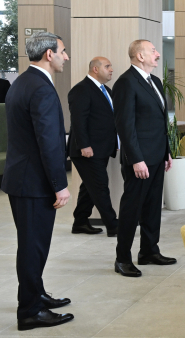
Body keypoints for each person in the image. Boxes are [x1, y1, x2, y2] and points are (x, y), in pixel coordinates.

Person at [1, 32, 74, 331]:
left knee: (33, 245)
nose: (66, 57)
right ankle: (30, 311)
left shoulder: (23, 82)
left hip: (23, 178)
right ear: (48, 54)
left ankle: (37, 294)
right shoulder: (41, 88)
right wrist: (59, 184)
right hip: (33, 183)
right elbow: (48, 142)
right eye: (63, 51)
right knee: (33, 247)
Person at [112, 40, 174, 277]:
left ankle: (149, 251)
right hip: (139, 159)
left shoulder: (154, 81)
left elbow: (160, 122)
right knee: (132, 209)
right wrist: (136, 158)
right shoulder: (126, 82)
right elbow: (125, 126)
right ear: (140, 56)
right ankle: (122, 258)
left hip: (157, 155)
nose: (157, 54)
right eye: (153, 51)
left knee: (152, 207)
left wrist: (166, 151)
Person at [68, 57, 119, 237]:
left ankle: (80, 222)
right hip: (87, 150)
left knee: (90, 186)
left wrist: (116, 142)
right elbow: (78, 121)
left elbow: (109, 120)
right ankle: (113, 226)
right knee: (99, 186)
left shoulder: (107, 90)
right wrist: (84, 145)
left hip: (102, 148)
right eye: (107, 66)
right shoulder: (81, 89)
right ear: (95, 69)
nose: (111, 69)